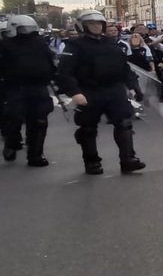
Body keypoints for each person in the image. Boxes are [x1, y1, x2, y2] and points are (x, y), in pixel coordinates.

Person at [55, 10, 145, 175]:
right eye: (91, 24)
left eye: (98, 24)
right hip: (89, 91)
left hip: (114, 89)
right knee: (88, 128)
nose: (96, 27)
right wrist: (75, 92)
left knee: (124, 123)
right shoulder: (74, 45)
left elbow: (124, 68)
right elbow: (64, 72)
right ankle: (92, 162)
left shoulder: (110, 43)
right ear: (83, 26)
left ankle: (128, 160)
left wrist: (134, 86)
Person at [0, 15, 55, 166]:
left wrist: (53, 77)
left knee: (39, 121)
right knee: (12, 119)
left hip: (38, 87)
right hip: (15, 88)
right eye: (22, 28)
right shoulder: (4, 45)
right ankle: (11, 143)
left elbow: (50, 62)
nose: (26, 31)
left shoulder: (40, 44)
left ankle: (36, 155)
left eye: (28, 28)